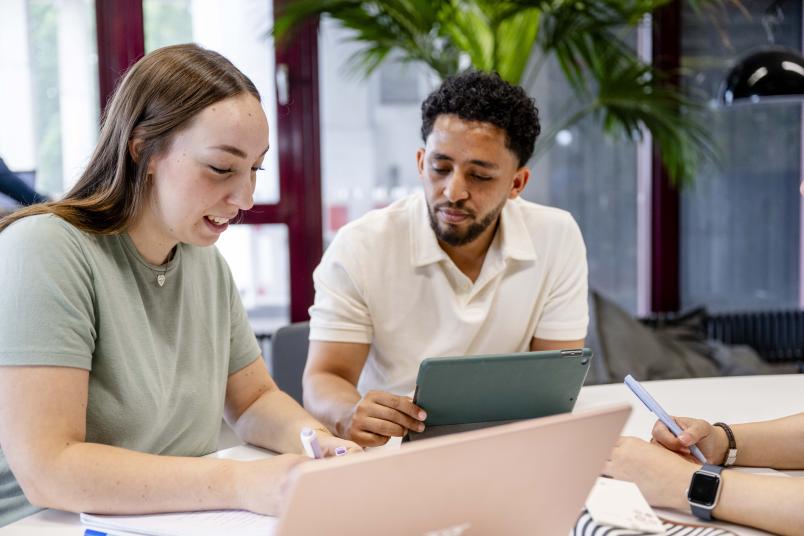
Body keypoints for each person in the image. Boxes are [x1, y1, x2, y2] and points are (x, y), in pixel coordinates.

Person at [0, 44, 358, 528]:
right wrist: (242, 484)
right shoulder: (44, 249)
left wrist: (320, 444)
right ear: (142, 149)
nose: (246, 197)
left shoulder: (204, 263)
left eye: (255, 169)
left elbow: (253, 401)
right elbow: (50, 469)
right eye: (221, 168)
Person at [304, 70, 589, 447]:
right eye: (440, 168)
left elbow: (553, 389)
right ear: (421, 162)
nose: (453, 192)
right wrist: (347, 414)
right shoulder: (362, 245)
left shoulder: (556, 236)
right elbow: (324, 377)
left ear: (517, 183)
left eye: (480, 176)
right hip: (393, 449)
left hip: (506, 445)